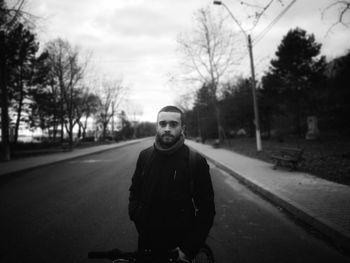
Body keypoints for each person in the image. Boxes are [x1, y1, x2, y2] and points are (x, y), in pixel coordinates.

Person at [128, 105, 215, 262]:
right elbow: (135, 191)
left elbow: (206, 210)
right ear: (157, 126)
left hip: (179, 248)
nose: (167, 129)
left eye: (173, 124)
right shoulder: (145, 156)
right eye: (163, 124)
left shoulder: (195, 161)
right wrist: (136, 214)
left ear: (182, 128)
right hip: (147, 244)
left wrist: (188, 249)